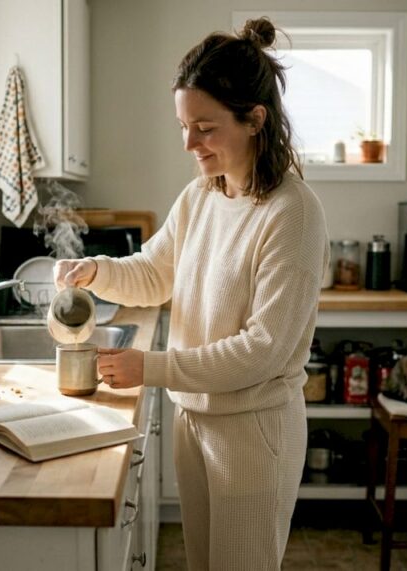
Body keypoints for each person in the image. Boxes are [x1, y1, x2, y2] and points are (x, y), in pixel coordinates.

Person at [54, 18, 329, 570]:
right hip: (194, 420)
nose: (189, 143)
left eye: (204, 127)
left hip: (253, 432)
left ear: (255, 120)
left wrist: (150, 367)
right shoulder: (203, 195)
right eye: (183, 125)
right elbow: (154, 274)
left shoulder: (291, 213)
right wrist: (95, 270)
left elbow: (262, 350)